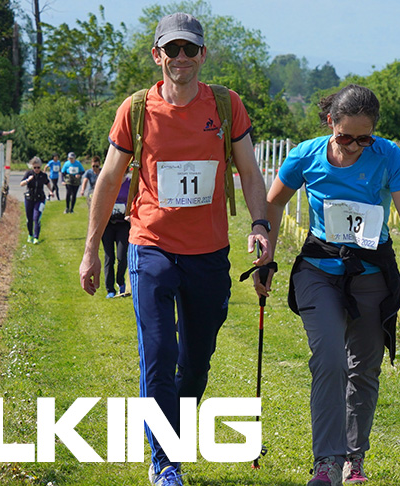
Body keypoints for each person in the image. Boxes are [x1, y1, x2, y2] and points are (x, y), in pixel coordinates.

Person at [77, 12, 271, 486]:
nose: (180, 58)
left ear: (202, 55)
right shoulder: (136, 109)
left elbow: (248, 172)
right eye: (172, 49)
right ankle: (165, 460)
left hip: (209, 253)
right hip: (152, 247)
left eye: (190, 49)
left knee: (196, 361)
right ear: (157, 54)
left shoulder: (226, 106)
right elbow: (108, 179)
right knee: (159, 354)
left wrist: (261, 224)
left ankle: (173, 434)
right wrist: (89, 251)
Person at [261, 84, 400, 486]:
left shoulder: (388, 154)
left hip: (372, 273)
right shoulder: (305, 155)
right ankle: (326, 462)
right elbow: (274, 201)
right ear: (330, 124)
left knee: (364, 369)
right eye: (346, 137)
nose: (355, 146)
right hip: (319, 270)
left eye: (364, 138)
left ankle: (353, 459)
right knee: (330, 360)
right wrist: (266, 253)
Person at [101, 176, 131, 298]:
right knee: (109, 257)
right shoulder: (107, 180)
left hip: (123, 225)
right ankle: (110, 289)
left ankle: (120, 282)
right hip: (107, 225)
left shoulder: (129, 182)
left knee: (122, 256)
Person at [19, 156, 54, 244]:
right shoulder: (29, 173)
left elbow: (48, 182)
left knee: (36, 218)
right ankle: (30, 234)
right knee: (29, 219)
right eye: (35, 167)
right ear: (32, 167)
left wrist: (50, 191)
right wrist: (28, 180)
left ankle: (36, 237)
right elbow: (21, 184)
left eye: (38, 167)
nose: (37, 169)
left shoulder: (43, 175)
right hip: (29, 198)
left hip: (40, 199)